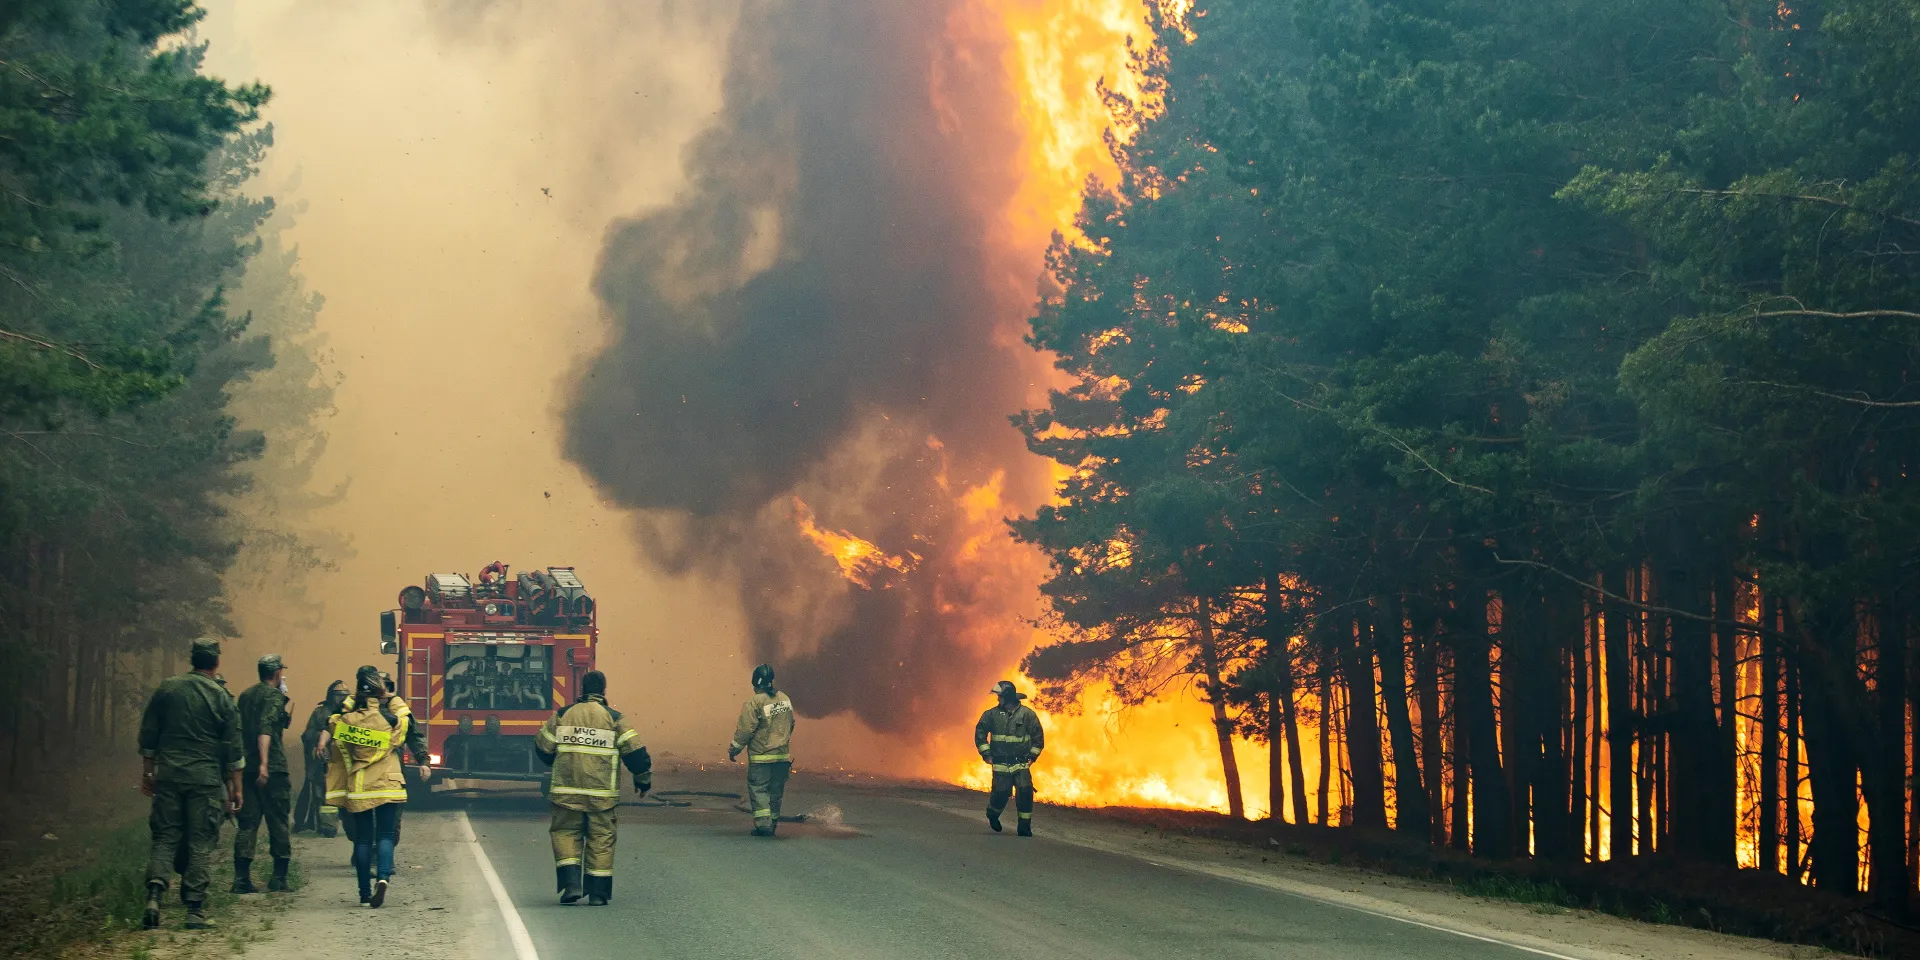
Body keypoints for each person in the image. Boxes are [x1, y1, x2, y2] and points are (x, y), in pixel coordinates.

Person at [138, 637, 245, 930]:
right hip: (205, 780)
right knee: (200, 842)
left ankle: (154, 896)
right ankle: (195, 910)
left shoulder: (168, 688)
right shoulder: (222, 697)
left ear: (192, 659)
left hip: (170, 775)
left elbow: (149, 733)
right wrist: (236, 789)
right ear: (216, 663)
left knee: (165, 837)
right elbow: (233, 750)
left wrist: (149, 772)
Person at [534, 670, 650, 905]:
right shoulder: (614, 718)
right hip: (601, 796)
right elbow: (635, 752)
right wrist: (642, 779)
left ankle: (571, 885)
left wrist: (554, 760)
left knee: (566, 834)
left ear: (582, 690)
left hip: (566, 793)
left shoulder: (563, 715)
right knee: (601, 840)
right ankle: (597, 894)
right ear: (603, 691)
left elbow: (543, 747)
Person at [318, 666, 428, 908]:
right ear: (380, 690)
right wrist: (423, 760)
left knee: (364, 839)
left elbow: (331, 722)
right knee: (387, 835)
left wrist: (350, 703)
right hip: (388, 784)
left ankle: (363, 893)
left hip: (360, 786)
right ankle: (384, 878)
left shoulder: (346, 722)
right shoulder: (391, 721)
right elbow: (406, 730)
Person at [232, 654, 294, 893]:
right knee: (277, 820)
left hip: (245, 766)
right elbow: (266, 727)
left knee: (247, 822)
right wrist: (264, 764)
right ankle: (279, 878)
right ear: (277, 673)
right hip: (272, 769)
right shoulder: (274, 696)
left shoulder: (246, 696)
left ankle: (241, 879)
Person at [728, 663, 794, 837]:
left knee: (759, 789)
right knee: (776, 792)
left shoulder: (754, 703)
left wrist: (734, 749)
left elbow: (745, 730)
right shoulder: (785, 699)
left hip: (761, 757)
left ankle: (763, 826)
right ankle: (772, 823)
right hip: (782, 757)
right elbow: (791, 724)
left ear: (755, 682)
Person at [975, 680, 1045, 837]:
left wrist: (1032, 756)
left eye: (1000, 696)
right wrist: (986, 754)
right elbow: (980, 733)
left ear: (1008, 696)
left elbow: (1038, 737)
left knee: (1025, 791)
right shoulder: (991, 714)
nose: (997, 699)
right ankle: (992, 814)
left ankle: (1024, 827)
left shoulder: (1027, 715)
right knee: (1001, 793)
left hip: (1021, 762)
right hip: (1000, 762)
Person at [294, 680, 348, 837]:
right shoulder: (320, 713)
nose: (342, 698)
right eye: (338, 695)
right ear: (331, 696)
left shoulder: (351, 713)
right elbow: (307, 735)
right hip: (322, 762)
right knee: (319, 794)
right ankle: (322, 824)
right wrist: (324, 737)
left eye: (345, 695)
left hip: (343, 762)